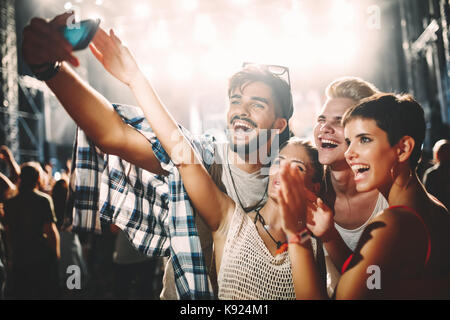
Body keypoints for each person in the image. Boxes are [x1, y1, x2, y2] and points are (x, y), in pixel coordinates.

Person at [21, 12, 293, 299]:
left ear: (279, 126)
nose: (241, 110)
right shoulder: (203, 156)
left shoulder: (291, 183)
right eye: (236, 101)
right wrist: (48, 68)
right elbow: (114, 135)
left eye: (257, 105)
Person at [279, 93, 450, 299]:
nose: (349, 153)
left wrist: (297, 236)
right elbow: (370, 281)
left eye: (364, 140)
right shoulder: (436, 208)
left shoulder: (392, 225)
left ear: (403, 148)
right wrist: (330, 235)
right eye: (350, 141)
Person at [312, 77, 388, 296]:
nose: (324, 128)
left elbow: (376, 286)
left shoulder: (390, 196)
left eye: (339, 121)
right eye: (321, 119)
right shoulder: (310, 187)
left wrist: (329, 236)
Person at [3, 163, 61, 299]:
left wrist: (10, 257)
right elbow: (51, 231)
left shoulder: (10, 203)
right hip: (40, 257)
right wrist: (57, 256)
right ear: (38, 179)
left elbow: (8, 233)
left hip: (19, 257)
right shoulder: (44, 200)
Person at [423, 139, 450, 210]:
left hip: (436, 212)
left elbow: (427, 198)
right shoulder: (431, 173)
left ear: (436, 154)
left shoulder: (431, 174)